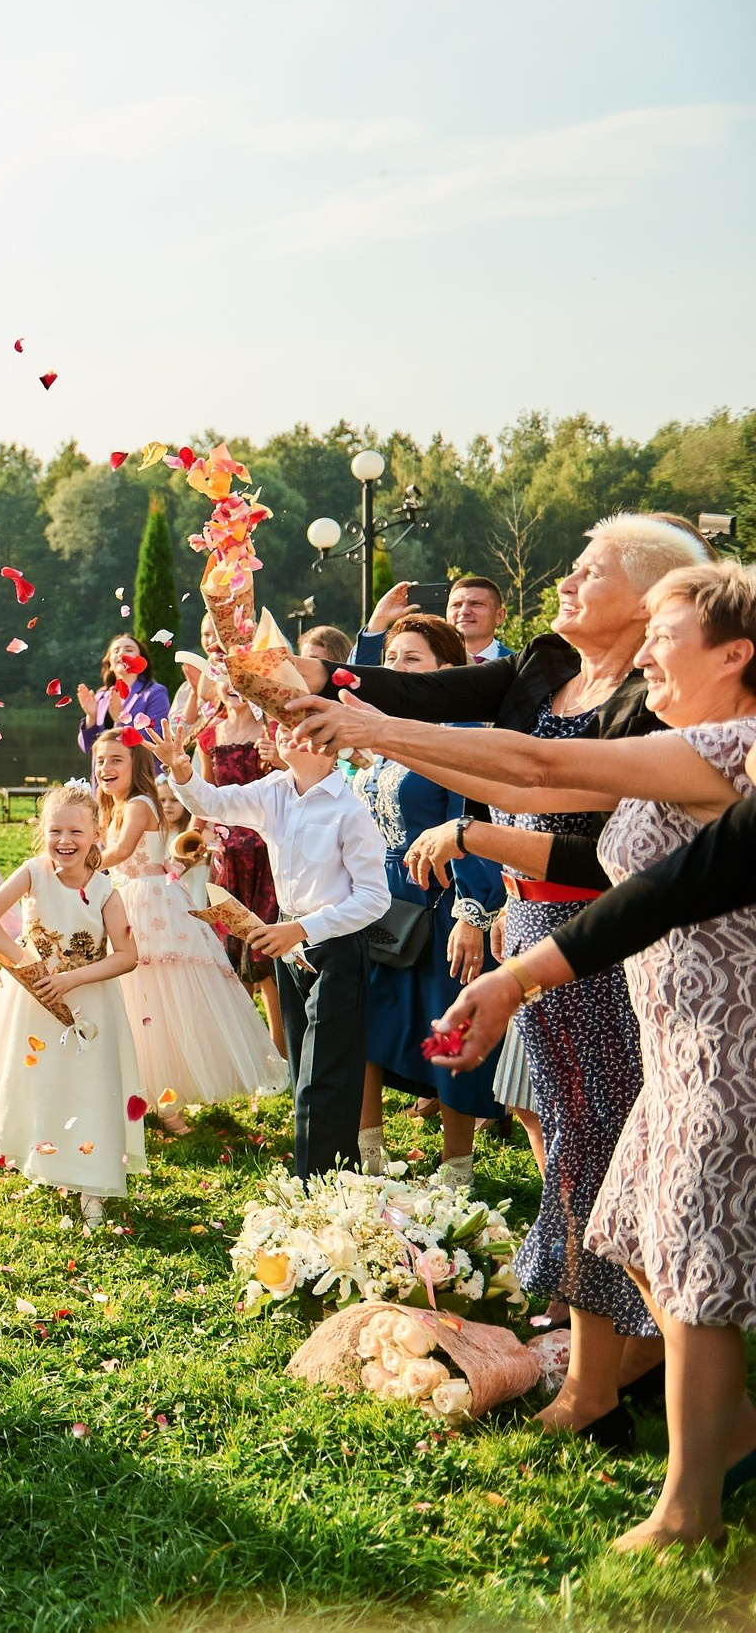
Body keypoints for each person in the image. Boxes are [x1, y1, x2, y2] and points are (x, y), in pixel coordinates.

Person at [287, 513, 711, 1443]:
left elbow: (595, 842)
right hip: (528, 919)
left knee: (593, 1144)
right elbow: (429, 695)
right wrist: (329, 681)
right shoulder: (547, 663)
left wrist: (454, 814)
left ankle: (614, 1372)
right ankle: (617, 1347)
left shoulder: (658, 702)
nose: (564, 580)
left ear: (646, 596)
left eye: (588, 569)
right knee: (563, 1133)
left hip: (596, 937)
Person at [412, 563, 756, 1540]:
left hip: (729, 1041)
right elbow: (540, 784)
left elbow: (546, 773)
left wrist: (360, 724)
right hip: (676, 1035)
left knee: (692, 1275)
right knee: (628, 1236)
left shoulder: (737, 747)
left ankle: (687, 1507)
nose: (648, 652)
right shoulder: (693, 741)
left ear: (734, 653)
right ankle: (727, 1429)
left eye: (667, 632)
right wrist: (362, 724)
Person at [151, 711, 388, 1176]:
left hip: (333, 947)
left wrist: (300, 930)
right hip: (288, 946)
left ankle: (316, 1190)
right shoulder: (274, 791)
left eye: (291, 725)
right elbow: (212, 802)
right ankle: (327, 1185)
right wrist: (180, 767)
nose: (278, 730)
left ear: (324, 743)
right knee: (305, 1074)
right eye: (277, 723)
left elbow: (375, 899)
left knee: (325, 1080)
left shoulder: (349, 809)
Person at [345, 614, 506, 1187]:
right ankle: (366, 1153)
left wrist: (474, 913)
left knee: (447, 1026)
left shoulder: (459, 733)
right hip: (381, 902)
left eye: (412, 659)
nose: (398, 670)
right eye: (392, 659)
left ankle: (457, 1166)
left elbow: (475, 824)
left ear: (446, 670)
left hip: (441, 903)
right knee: (367, 1022)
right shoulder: (388, 735)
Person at [0, 783, 145, 1224]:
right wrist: (29, 966)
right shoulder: (34, 871)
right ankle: (46, 1158)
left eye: (75, 831)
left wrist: (71, 978)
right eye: (55, 831)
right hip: (34, 999)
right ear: (44, 832)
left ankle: (92, 1186)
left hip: (89, 1003)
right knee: (43, 1082)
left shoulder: (106, 890)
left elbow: (127, 955)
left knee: (89, 1088)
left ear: (97, 832)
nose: (64, 841)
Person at [88, 730, 281, 1126]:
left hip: (148, 903)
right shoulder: (117, 805)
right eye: (100, 760)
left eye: (115, 760)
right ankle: (136, 1091)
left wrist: (80, 866)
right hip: (126, 897)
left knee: (157, 999)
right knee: (131, 1000)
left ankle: (166, 1099)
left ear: (136, 765)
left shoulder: (140, 804)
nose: (105, 768)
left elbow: (123, 851)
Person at [181, 626, 289, 1051]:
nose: (230, 688)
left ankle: (281, 1046)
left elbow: (291, 786)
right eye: (222, 680)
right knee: (232, 950)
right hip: (227, 856)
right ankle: (244, 1050)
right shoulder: (209, 736)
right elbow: (201, 793)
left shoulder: (273, 730)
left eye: (237, 680)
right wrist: (192, 834)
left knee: (265, 956)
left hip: (267, 852)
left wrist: (278, 759)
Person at [357, 576, 513, 665]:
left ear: (499, 616)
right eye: (456, 605)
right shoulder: (416, 660)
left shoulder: (518, 667)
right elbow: (360, 682)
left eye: (476, 604)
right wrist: (379, 619)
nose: (464, 611)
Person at [73, 634, 169, 754]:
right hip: (104, 772)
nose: (122, 653)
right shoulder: (101, 696)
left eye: (129, 650)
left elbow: (153, 740)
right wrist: (91, 717)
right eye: (116, 651)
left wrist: (120, 721)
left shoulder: (155, 693)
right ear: (110, 664)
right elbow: (88, 747)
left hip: (139, 771)